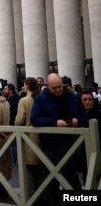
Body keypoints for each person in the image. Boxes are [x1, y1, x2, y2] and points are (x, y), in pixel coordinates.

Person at [31, 73, 87, 204]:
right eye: (54, 88)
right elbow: (34, 120)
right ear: (48, 86)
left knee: (72, 177)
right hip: (51, 145)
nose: (58, 90)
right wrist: (54, 123)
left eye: (59, 87)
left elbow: (84, 117)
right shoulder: (40, 99)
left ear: (62, 84)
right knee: (52, 179)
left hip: (72, 143)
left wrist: (77, 121)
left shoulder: (73, 97)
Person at [14, 77, 43, 198]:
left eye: (24, 85)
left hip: (28, 137)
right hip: (40, 137)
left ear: (27, 86)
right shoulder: (40, 98)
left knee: (28, 167)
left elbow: (20, 120)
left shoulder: (24, 100)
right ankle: (43, 194)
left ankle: (30, 195)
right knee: (41, 167)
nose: (22, 87)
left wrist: (14, 126)